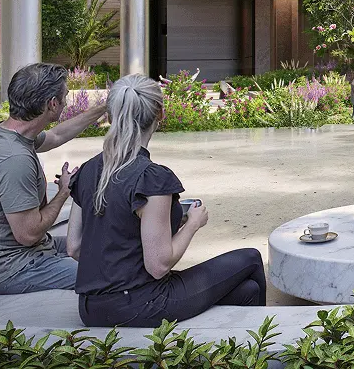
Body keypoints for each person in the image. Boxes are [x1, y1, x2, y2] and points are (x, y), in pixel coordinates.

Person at [69, 75, 266, 327]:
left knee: (247, 290)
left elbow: (75, 247)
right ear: (159, 114)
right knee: (250, 257)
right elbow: (159, 265)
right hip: (139, 304)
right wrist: (192, 223)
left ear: (110, 116)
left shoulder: (86, 170)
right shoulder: (151, 177)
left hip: (90, 309)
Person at [0, 63, 108, 294]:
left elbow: (57, 135)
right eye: (65, 96)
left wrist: (102, 108)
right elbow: (28, 234)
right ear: (52, 104)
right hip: (7, 268)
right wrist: (63, 193)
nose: (67, 101)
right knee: (110, 275)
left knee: (101, 242)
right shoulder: (14, 159)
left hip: (0, 256)